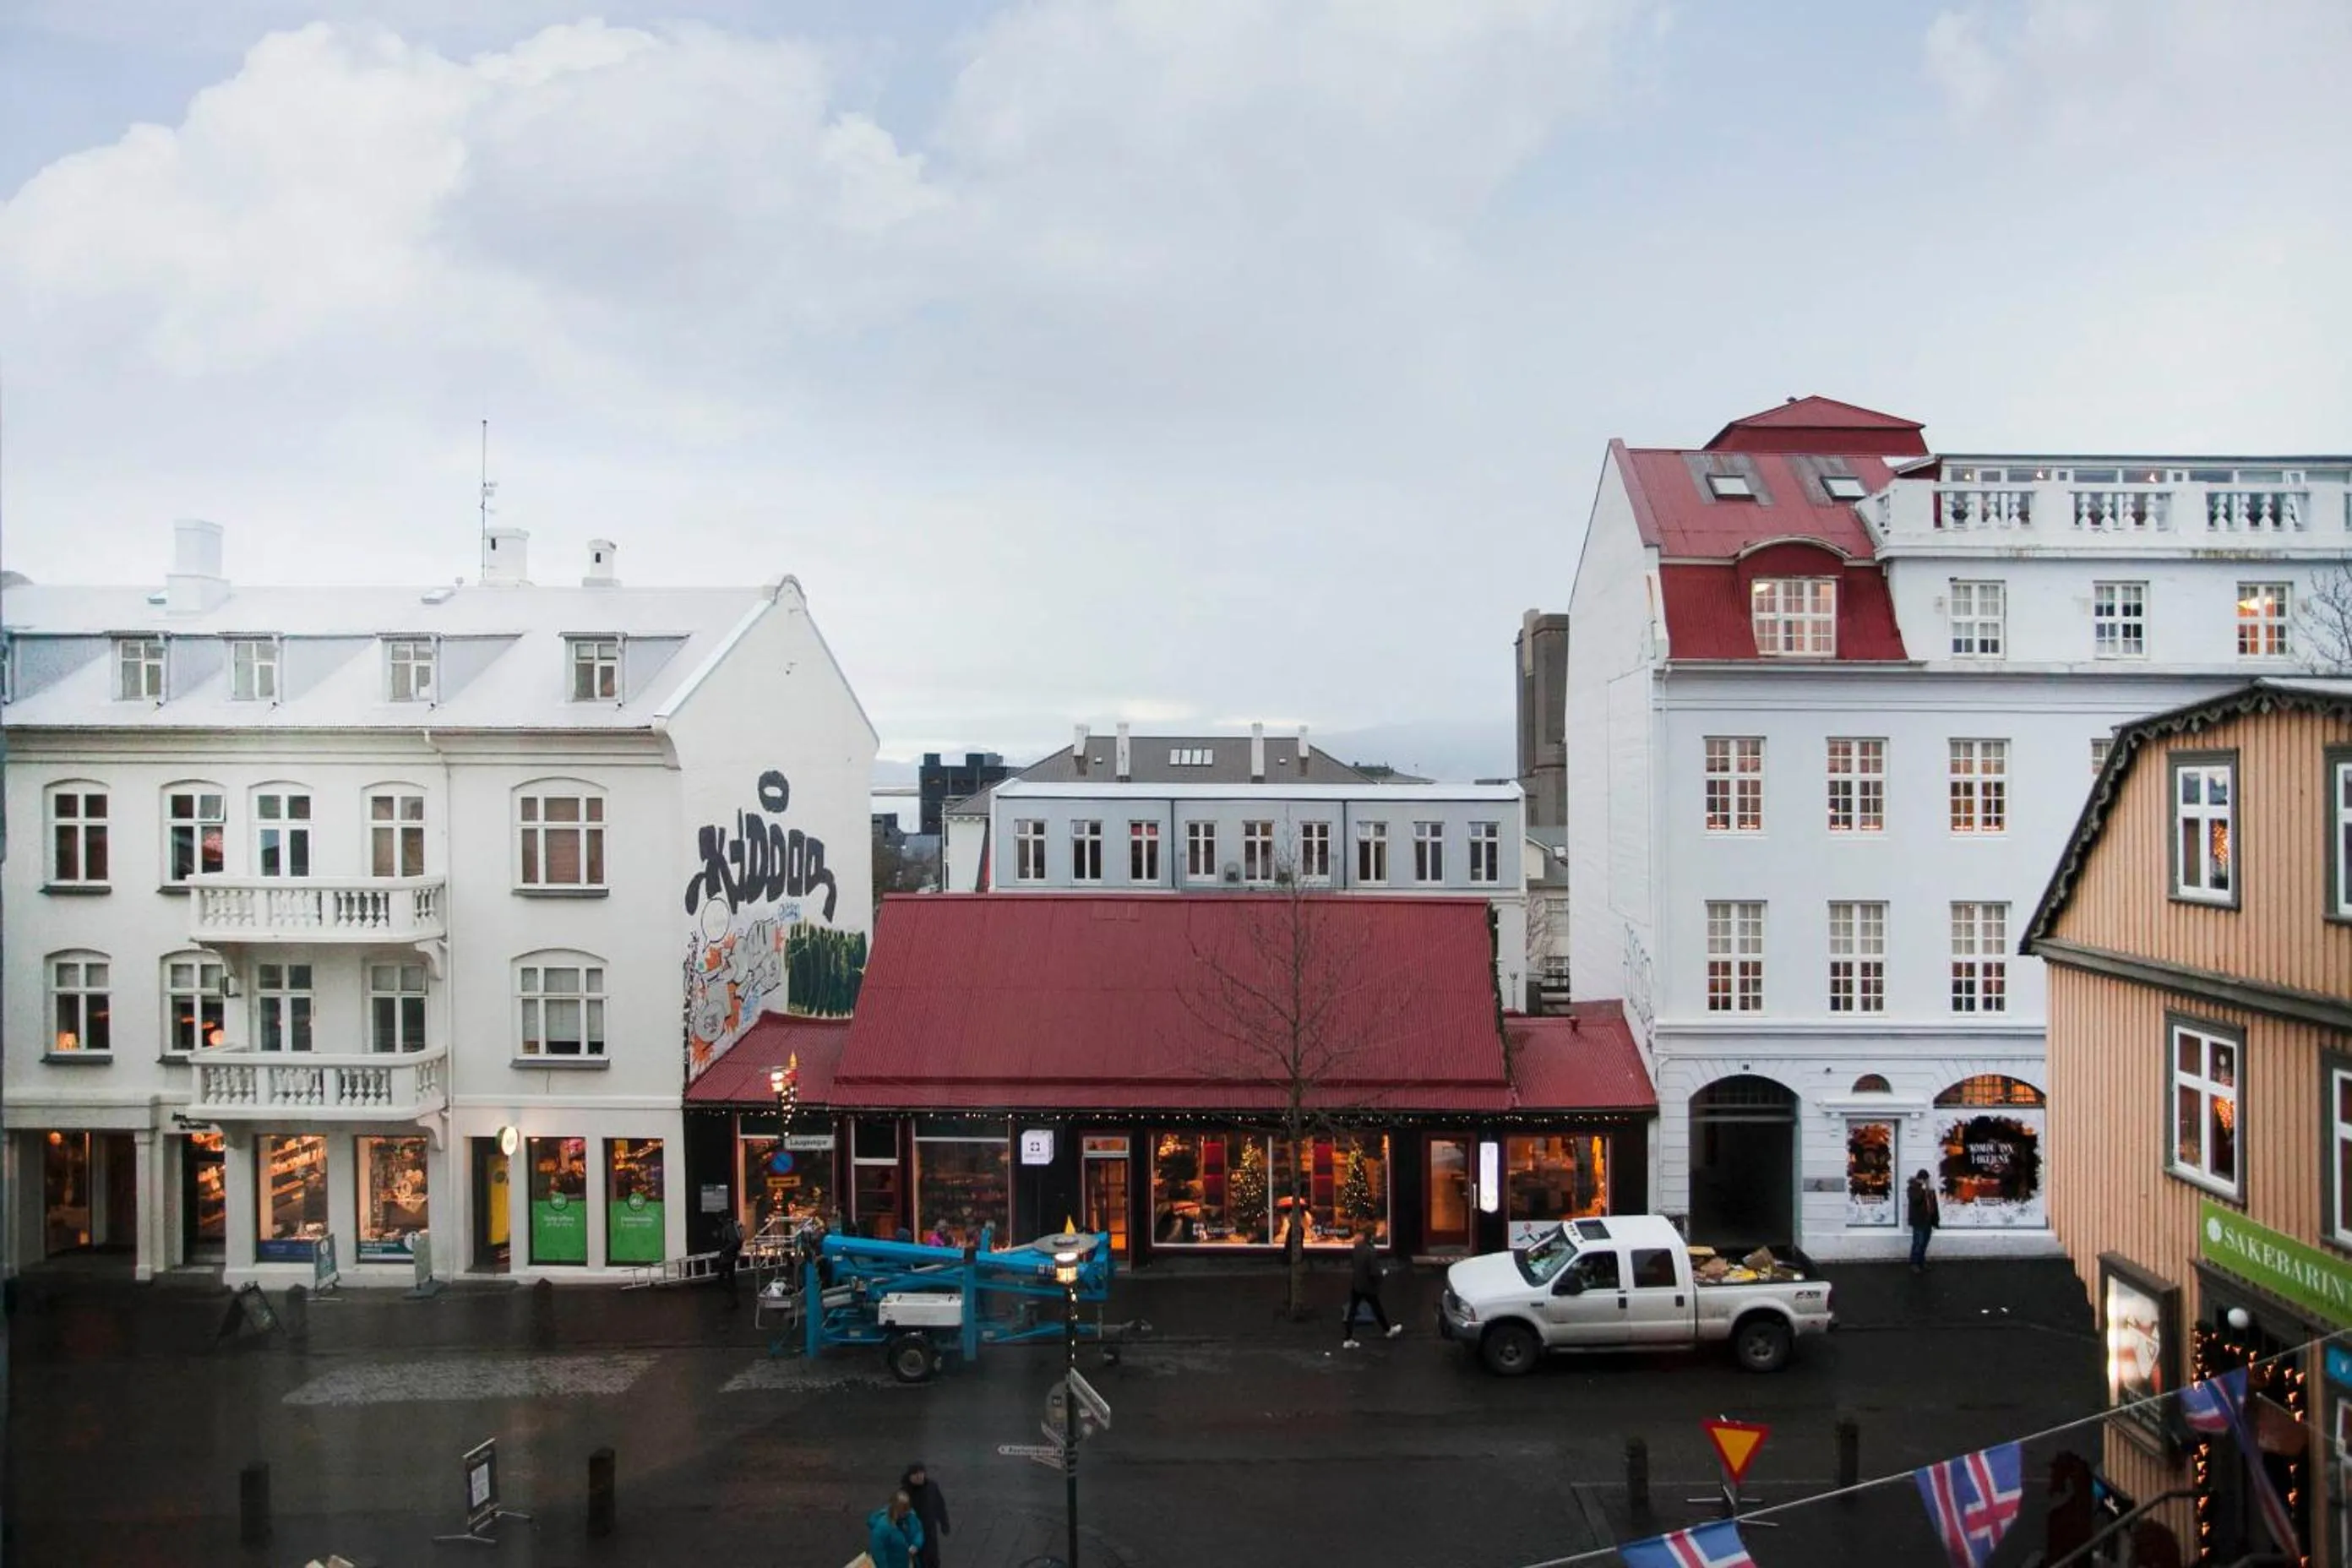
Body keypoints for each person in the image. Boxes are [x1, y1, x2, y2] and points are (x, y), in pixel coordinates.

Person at [1342, 1230, 1402, 1348]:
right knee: (1376, 1308)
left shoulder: (1356, 1249)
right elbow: (1374, 1272)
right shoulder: (1371, 1252)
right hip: (1367, 1287)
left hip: (1357, 1284)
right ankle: (1388, 1330)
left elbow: (1354, 1265)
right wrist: (1381, 1275)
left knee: (1353, 1311)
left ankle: (1348, 1338)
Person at [901, 1462, 950, 1568]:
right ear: (910, 1476)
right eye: (916, 1474)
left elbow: (939, 1504)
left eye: (921, 1473)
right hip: (913, 1531)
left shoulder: (931, 1486)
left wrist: (944, 1523)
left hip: (930, 1529)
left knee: (933, 1558)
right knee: (919, 1560)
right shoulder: (904, 1493)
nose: (920, 1477)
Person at [866, 1489, 923, 1568]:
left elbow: (918, 1531)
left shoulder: (910, 1516)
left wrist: (916, 1544)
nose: (907, 1513)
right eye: (903, 1511)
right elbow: (878, 1553)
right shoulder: (882, 1528)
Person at [1907, 1170, 1941, 1272]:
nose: (1928, 1181)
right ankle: (1914, 1263)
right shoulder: (1912, 1188)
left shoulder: (1930, 1190)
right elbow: (1916, 1200)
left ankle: (1921, 1261)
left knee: (1925, 1242)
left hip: (1928, 1220)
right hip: (1919, 1220)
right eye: (1926, 1180)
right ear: (1921, 1179)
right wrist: (1923, 1190)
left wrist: (1936, 1220)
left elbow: (1934, 1205)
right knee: (1918, 1242)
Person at [716, 1210, 746, 1301]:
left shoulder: (728, 1227)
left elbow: (734, 1242)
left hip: (728, 1256)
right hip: (731, 1256)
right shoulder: (731, 1226)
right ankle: (733, 1298)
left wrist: (724, 1250)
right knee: (730, 1277)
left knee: (724, 1278)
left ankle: (733, 1297)